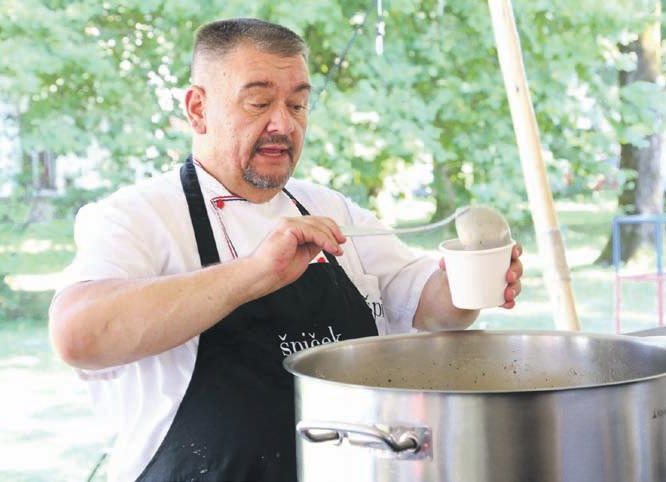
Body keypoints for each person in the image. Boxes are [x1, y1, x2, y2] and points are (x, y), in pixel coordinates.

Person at [49, 18, 523, 482]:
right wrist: (256, 272)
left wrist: (469, 281)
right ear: (197, 109)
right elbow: (77, 336)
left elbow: (430, 306)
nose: (283, 124)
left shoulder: (330, 208)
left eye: (298, 105)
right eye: (259, 103)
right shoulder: (136, 217)